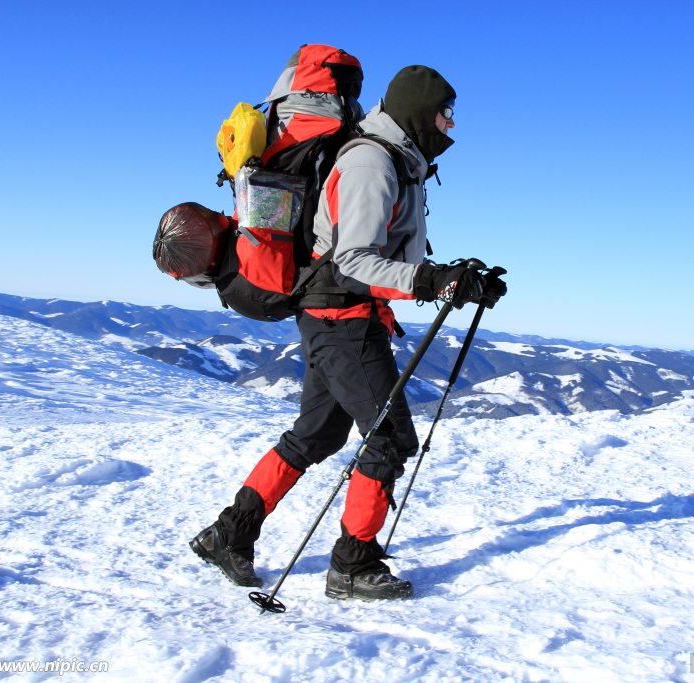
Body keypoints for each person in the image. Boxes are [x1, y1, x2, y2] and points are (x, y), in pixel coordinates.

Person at [190, 65, 503, 601]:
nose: (451, 126)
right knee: (389, 438)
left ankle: (229, 534)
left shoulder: (395, 159)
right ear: (418, 111)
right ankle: (352, 565)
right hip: (342, 316)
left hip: (336, 314)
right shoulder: (370, 163)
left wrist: (459, 280)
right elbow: (354, 262)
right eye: (444, 114)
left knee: (317, 435)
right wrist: (433, 280)